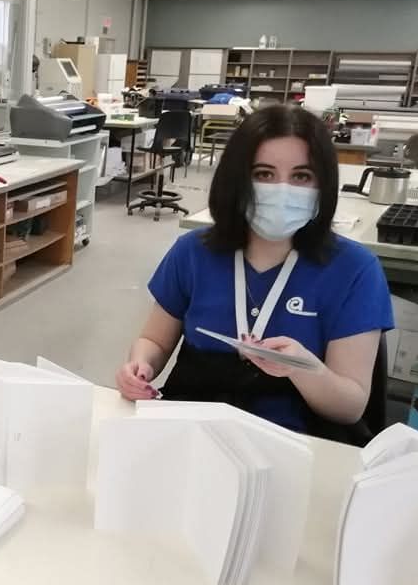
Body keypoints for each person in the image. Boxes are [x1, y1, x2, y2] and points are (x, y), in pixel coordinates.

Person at [115, 105, 393, 440]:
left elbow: (349, 406)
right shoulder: (193, 252)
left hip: (295, 441)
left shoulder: (355, 270)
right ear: (237, 180)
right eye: (263, 174)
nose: (282, 190)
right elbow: (154, 341)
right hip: (192, 432)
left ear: (323, 185)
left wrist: (304, 368)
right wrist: (140, 365)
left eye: (301, 176)